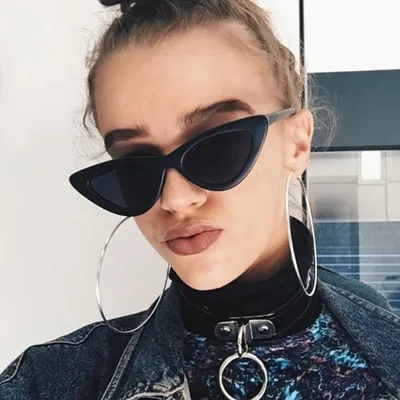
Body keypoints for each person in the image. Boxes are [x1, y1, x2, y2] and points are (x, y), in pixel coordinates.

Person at [1, 0, 399, 399]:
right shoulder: (44, 384)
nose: (175, 199)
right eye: (135, 164)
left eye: (217, 146)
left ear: (296, 143)